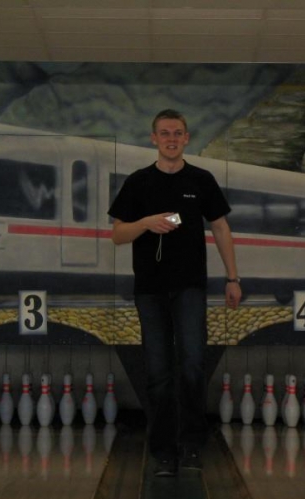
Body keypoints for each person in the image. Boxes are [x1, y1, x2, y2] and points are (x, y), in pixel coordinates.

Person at [109, 109, 241, 477]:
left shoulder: (201, 180)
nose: (171, 139)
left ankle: (191, 445)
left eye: (177, 133)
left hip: (190, 287)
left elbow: (221, 227)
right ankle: (163, 451)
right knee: (158, 370)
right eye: (164, 133)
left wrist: (233, 278)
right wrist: (145, 223)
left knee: (193, 365)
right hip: (149, 289)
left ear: (186, 139)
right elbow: (118, 234)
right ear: (154, 138)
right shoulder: (138, 182)